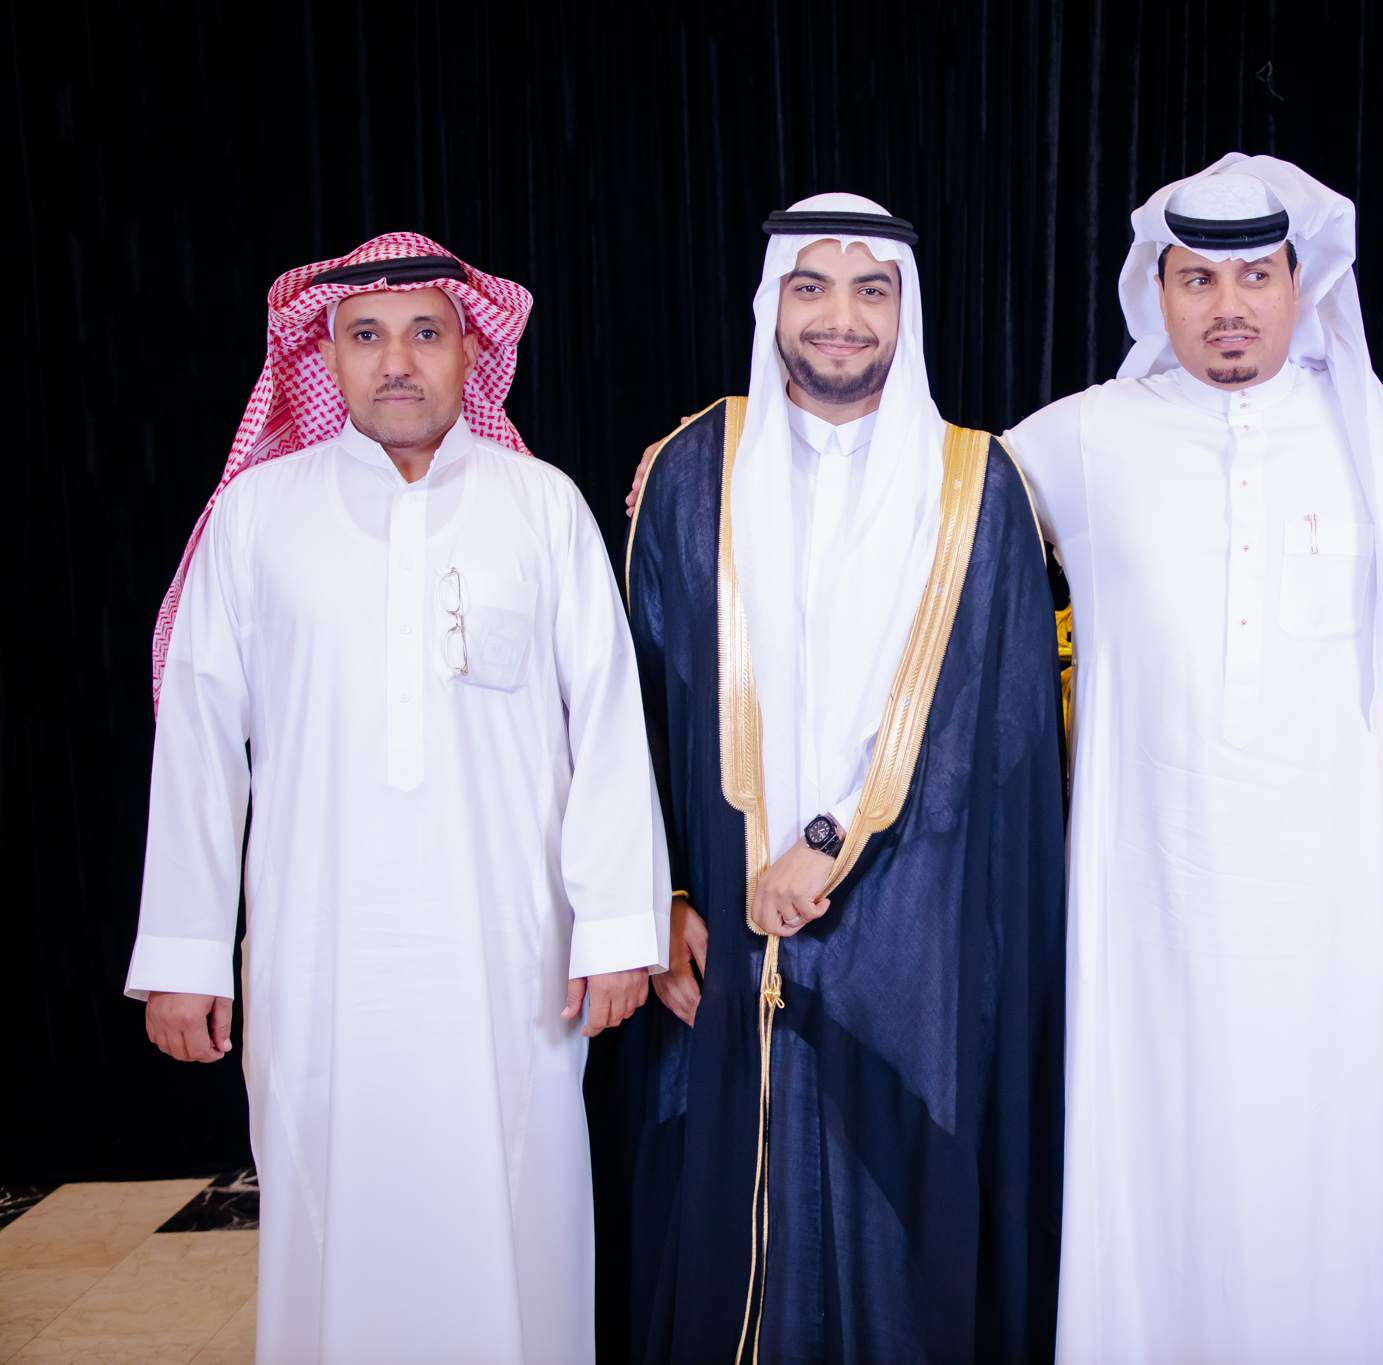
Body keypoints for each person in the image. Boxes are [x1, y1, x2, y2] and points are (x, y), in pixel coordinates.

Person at [129, 233, 668, 1365]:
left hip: (512, 954)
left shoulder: (540, 505)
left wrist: (619, 928)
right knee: (331, 1212)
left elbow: (608, 728)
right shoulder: (257, 515)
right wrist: (184, 951)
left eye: (425, 333)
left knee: (518, 1211)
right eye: (365, 336)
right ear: (323, 355)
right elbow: (200, 743)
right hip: (317, 953)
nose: (396, 362)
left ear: (470, 350)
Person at [1001, 155, 1383, 1364]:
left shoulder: (1378, 434)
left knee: (1309, 1174)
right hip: (1144, 908)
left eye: (1255, 277)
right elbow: (930, 512)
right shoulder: (1084, 437)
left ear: (1298, 285)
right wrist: (715, 451)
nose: (1227, 306)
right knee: (1152, 1168)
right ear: (1153, 291)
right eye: (1196, 278)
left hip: (1326, 912)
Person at [611, 193, 1066, 1363]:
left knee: (903, 1231)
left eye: (872, 290)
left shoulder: (978, 484)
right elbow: (634, 713)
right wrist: (658, 899)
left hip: (917, 937)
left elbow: (993, 728)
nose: (840, 318)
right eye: (809, 286)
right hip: (719, 934)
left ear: (905, 313)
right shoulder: (690, 472)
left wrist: (827, 845)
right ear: (771, 302)